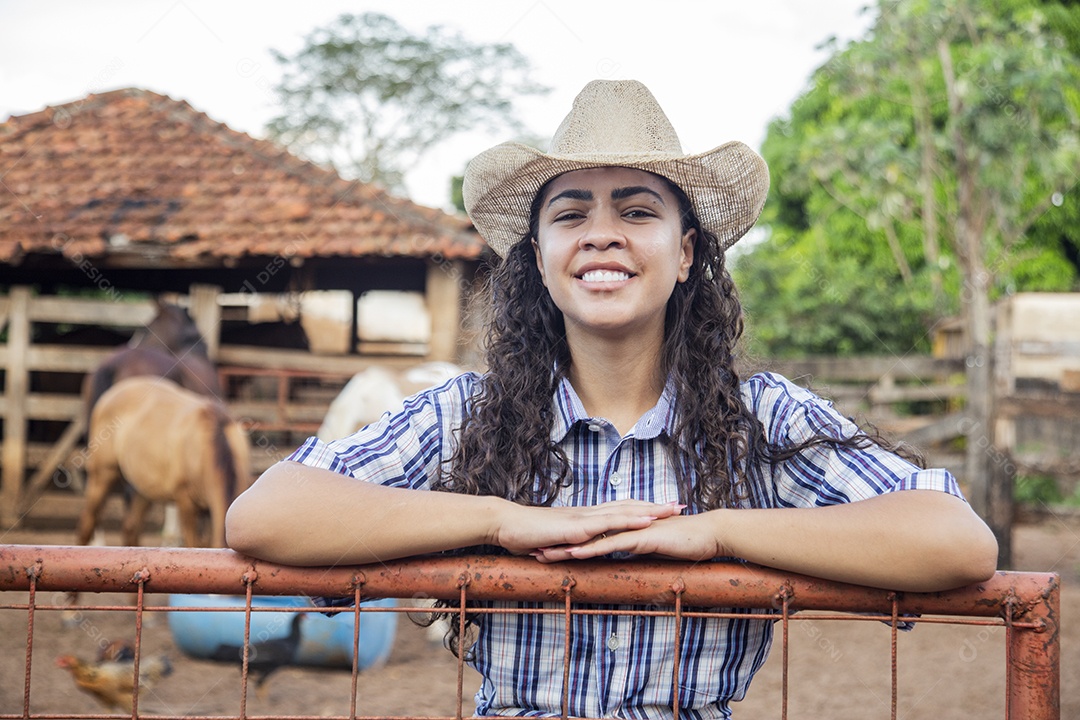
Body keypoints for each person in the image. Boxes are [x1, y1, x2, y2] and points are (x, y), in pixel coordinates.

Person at [226, 79, 998, 718]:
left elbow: (955, 543)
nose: (601, 235)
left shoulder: (760, 419)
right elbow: (266, 515)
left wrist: (721, 534)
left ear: (686, 251)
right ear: (540, 257)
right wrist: (501, 520)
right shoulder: (464, 414)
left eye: (636, 211)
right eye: (570, 214)